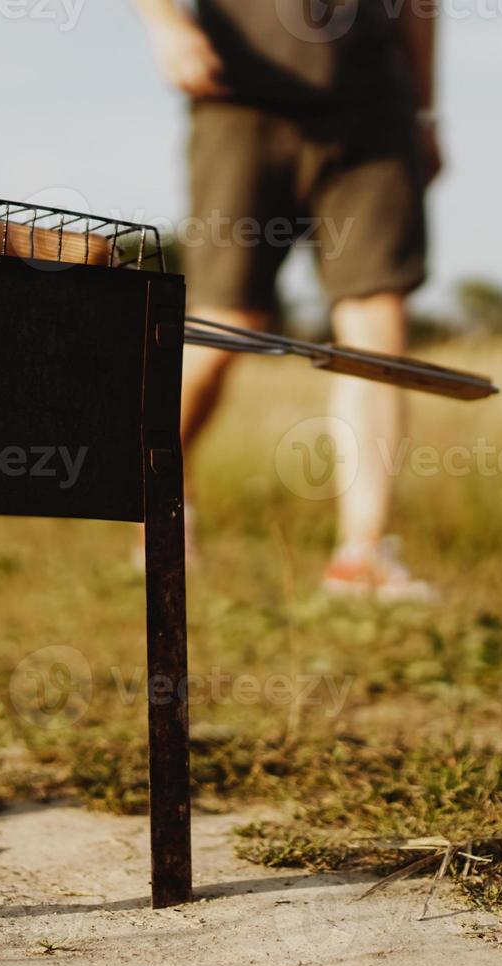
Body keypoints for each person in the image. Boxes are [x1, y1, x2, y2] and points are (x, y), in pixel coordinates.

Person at [133, 0, 442, 601]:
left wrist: (424, 109)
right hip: (242, 94)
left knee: (378, 316)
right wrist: (166, 24)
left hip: (373, 101)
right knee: (229, 323)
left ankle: (362, 554)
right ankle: (162, 488)